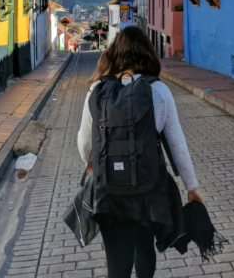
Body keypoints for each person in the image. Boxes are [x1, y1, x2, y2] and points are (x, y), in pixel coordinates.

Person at [77, 26, 204, 278]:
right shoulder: (159, 91)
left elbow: (83, 142)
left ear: (114, 53)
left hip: (109, 192)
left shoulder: (97, 90)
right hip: (148, 190)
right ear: (147, 53)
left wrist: (89, 163)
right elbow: (177, 145)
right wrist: (192, 187)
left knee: (117, 262)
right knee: (144, 248)